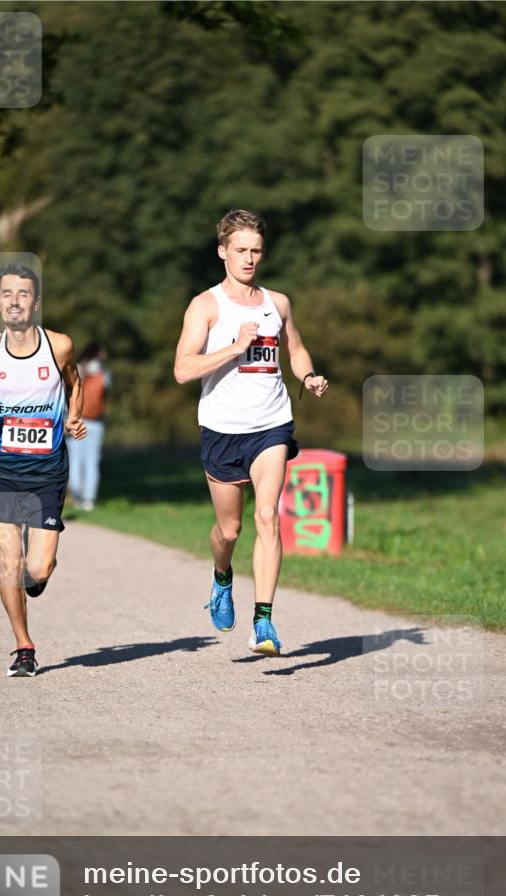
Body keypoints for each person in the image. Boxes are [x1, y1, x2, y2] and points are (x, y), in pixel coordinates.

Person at [174, 210, 328, 656]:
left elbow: (296, 350)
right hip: (222, 429)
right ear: (222, 251)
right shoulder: (205, 306)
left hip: (271, 424)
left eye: (256, 251)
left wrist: (308, 375)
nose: (249, 259)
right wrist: (235, 347)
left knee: (267, 517)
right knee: (229, 530)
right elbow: (182, 369)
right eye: (240, 250)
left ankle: (263, 622)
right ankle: (222, 578)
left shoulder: (277, 303)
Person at [0, 263, 86, 677]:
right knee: (10, 561)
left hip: (47, 471)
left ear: (36, 302)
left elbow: (76, 383)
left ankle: (39, 571)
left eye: (23, 294)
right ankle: (23, 647)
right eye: (7, 294)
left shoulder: (59, 346)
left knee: (38, 569)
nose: (15, 301)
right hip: (0, 468)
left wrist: (74, 417)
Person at [66, 341, 111, 510]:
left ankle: (77, 498)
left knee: (75, 461)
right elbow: (106, 392)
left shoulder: (77, 369)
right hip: (96, 422)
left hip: (76, 420)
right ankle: (89, 500)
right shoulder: (103, 373)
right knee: (92, 462)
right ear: (99, 354)